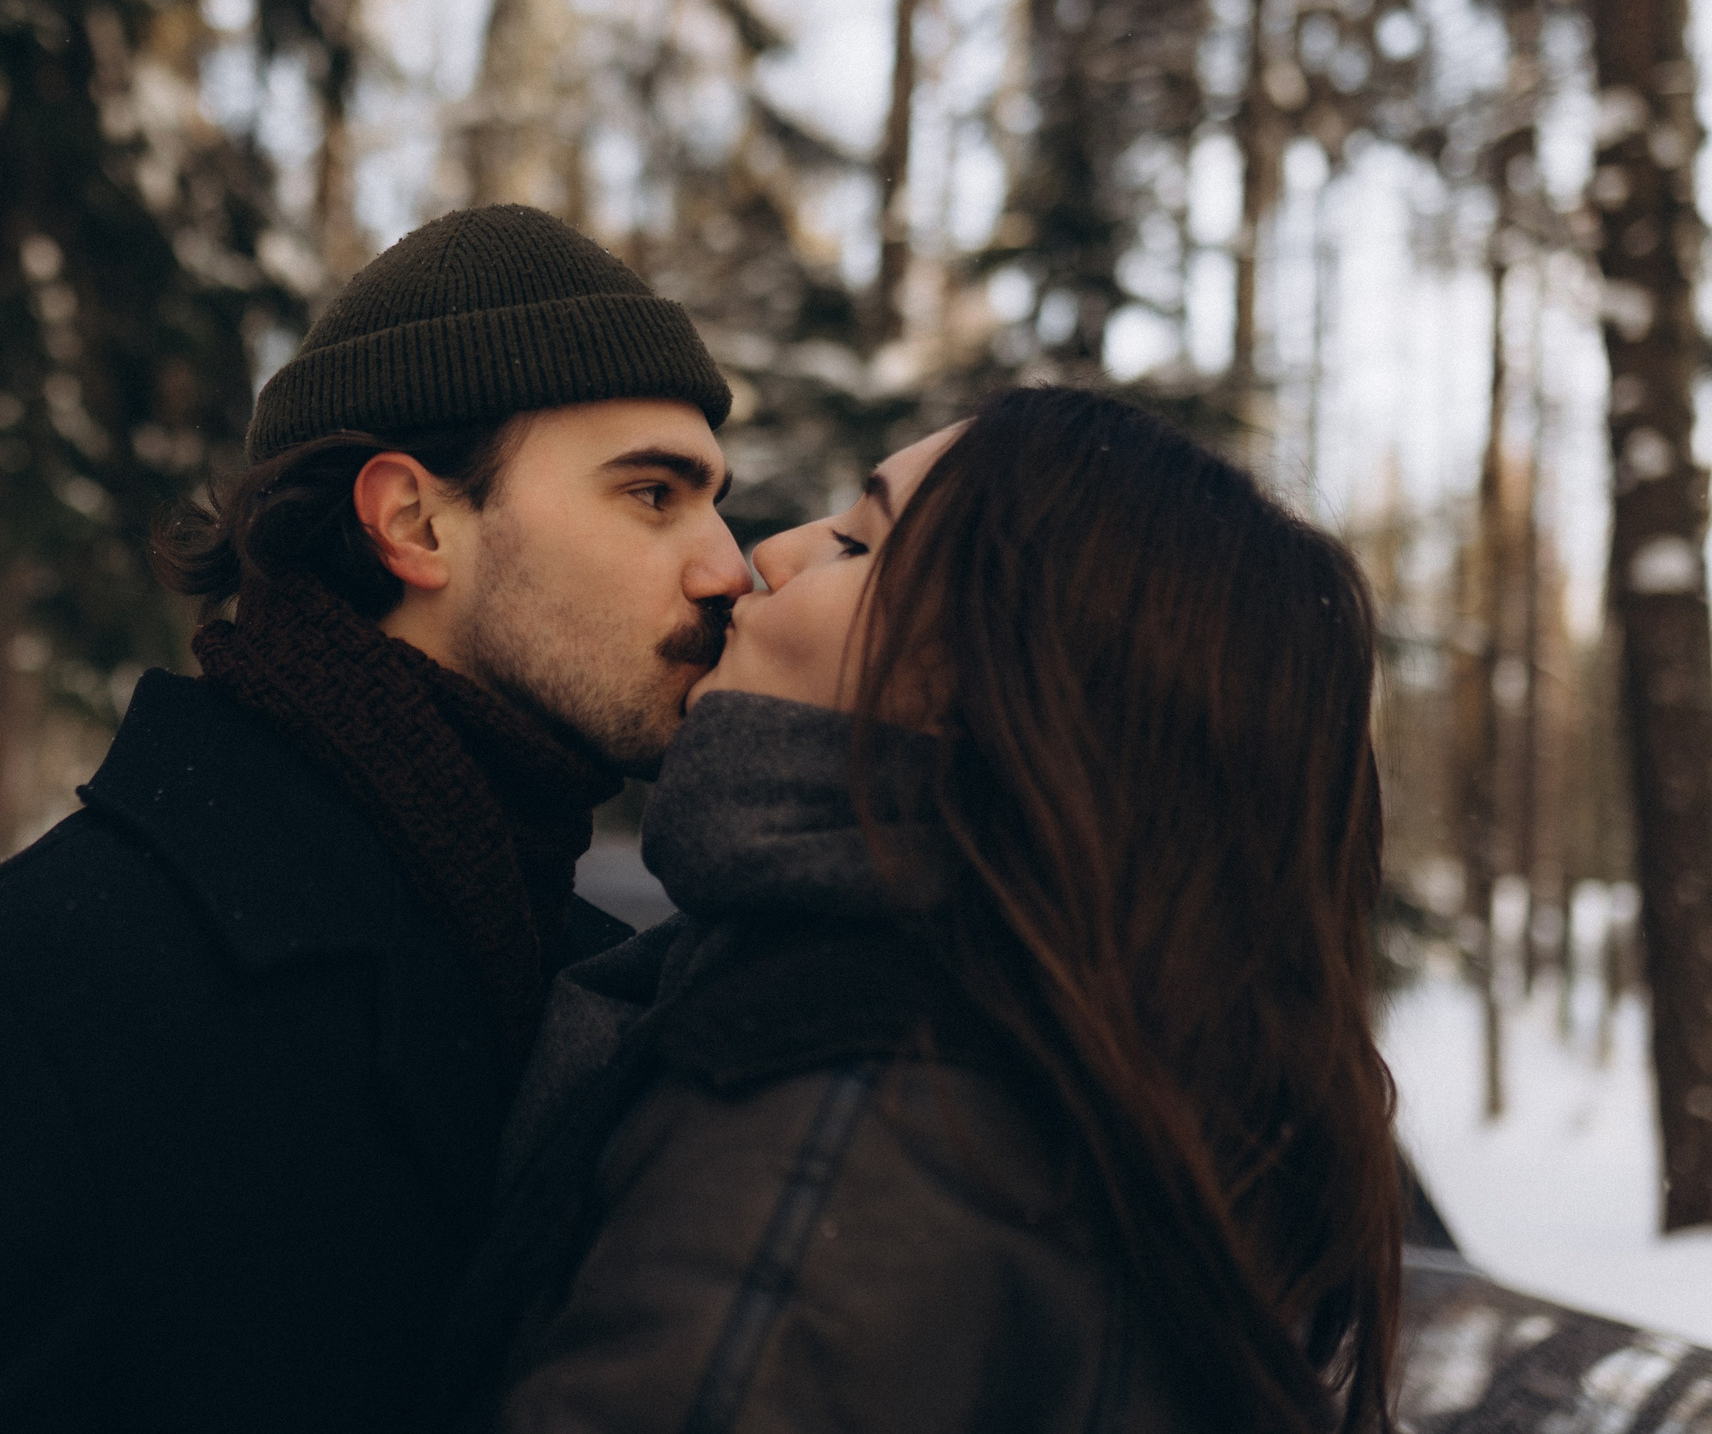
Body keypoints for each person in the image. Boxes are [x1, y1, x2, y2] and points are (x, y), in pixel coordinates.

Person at [0, 203, 755, 1434]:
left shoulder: (597, 999)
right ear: (413, 522)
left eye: (713, 498)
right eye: (653, 493)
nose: (729, 565)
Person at [449, 386, 1406, 1434]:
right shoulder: (1091, 1077)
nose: (764, 556)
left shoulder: (852, 1113)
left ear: (994, 691)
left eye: (855, 545)